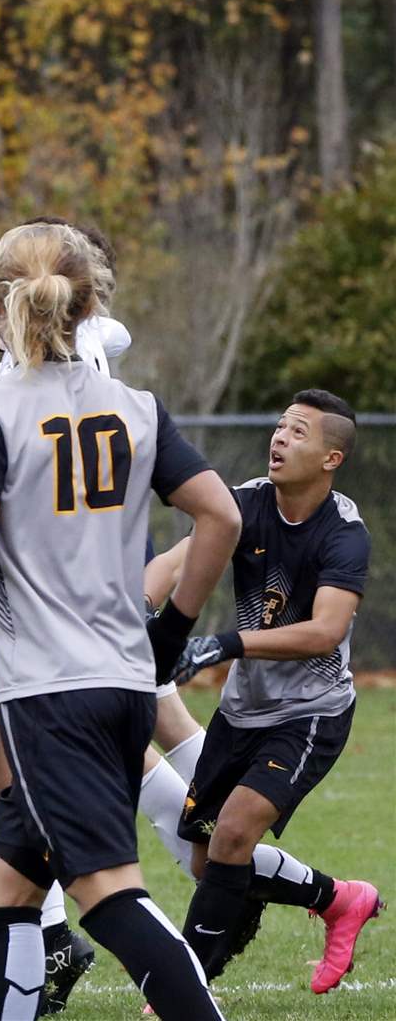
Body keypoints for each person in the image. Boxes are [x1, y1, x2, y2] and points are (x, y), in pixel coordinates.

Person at [0, 222, 242, 1020]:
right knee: (5, 895)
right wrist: (170, 636)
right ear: (88, 303)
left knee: (109, 896)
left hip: (52, 696)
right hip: (117, 686)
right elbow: (219, 517)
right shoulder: (138, 406)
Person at [162, 389, 382, 993]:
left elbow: (325, 631)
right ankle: (340, 900)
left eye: (298, 432)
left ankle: (186, 990)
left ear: (331, 458)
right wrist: (131, 609)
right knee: (211, 862)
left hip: (310, 714)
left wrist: (227, 645)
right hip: (242, 711)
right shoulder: (244, 505)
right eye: (280, 427)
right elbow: (176, 563)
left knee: (233, 836)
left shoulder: (344, 532)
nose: (279, 439)